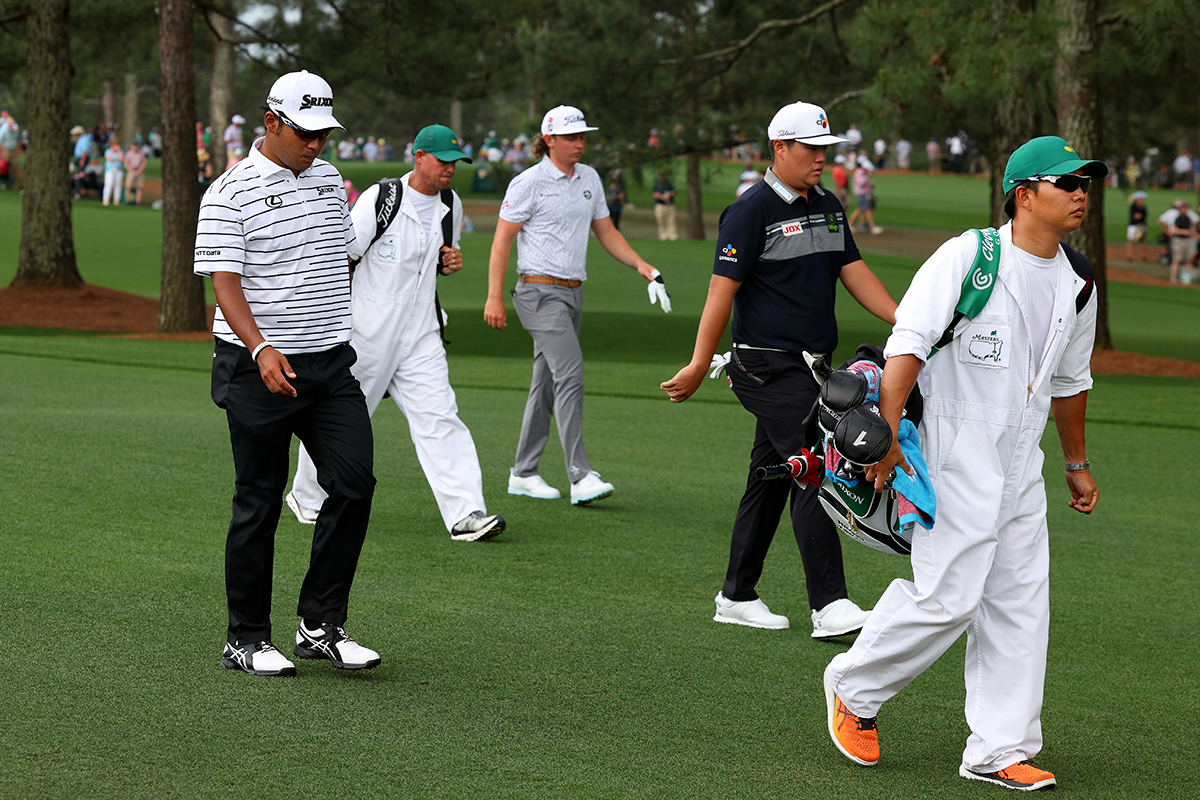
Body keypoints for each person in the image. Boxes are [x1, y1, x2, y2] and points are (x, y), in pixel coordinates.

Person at [822, 136, 1105, 792]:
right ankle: (854, 689)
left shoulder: (1080, 282)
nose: (1081, 193)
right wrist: (887, 438)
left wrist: (1075, 462)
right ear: (1023, 194)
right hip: (952, 450)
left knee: (1020, 604)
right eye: (1067, 183)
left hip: (1022, 462)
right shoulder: (969, 257)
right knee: (948, 597)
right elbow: (907, 346)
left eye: (1086, 182)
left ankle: (997, 748)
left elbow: (1071, 380)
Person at [661, 101, 896, 635]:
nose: (820, 158)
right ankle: (829, 604)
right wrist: (701, 362)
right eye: (810, 149)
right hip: (763, 368)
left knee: (771, 476)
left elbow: (853, 272)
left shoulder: (830, 204)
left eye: (824, 150)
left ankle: (736, 595)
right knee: (817, 460)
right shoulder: (749, 212)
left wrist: (905, 321)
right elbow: (721, 293)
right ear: (780, 149)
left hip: (814, 368)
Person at [193, 69, 380, 678]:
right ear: (271, 122)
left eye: (325, 133)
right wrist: (259, 348)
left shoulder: (328, 180)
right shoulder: (229, 192)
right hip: (258, 368)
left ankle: (320, 626)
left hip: (329, 365)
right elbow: (225, 283)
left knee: (354, 484)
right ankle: (245, 638)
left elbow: (341, 253)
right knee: (259, 500)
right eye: (306, 132)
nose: (317, 144)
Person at [285, 125, 506, 542]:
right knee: (342, 418)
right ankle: (307, 496)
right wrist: (335, 322)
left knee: (440, 415)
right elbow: (343, 257)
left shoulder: (451, 204)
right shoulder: (382, 198)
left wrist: (448, 263)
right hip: (367, 329)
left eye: (455, 164)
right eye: (442, 161)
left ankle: (466, 513)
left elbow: (435, 258)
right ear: (419, 156)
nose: (449, 171)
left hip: (422, 330)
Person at [485, 104, 672, 505]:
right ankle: (579, 474)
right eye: (571, 137)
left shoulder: (589, 178)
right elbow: (501, 242)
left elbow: (606, 231)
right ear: (549, 140)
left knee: (547, 382)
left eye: (582, 136)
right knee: (570, 372)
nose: (579, 144)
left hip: (573, 293)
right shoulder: (528, 182)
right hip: (536, 292)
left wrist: (642, 265)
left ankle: (523, 472)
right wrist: (494, 297)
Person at [1161, 199, 1200, 283]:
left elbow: (1195, 224)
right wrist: (1184, 232)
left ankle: (1188, 278)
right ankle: (1173, 278)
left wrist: (1195, 234)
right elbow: (1173, 230)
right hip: (1178, 240)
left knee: (1189, 260)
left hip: (1188, 241)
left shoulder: (1189, 217)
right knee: (1177, 260)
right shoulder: (1176, 218)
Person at [847, 156, 883, 235]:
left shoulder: (862, 172)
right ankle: (871, 226)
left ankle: (860, 225)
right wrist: (869, 177)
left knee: (863, 209)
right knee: (864, 210)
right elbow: (862, 182)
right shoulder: (859, 172)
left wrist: (870, 184)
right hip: (862, 193)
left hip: (865, 193)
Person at [651, 169, 678, 241]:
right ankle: (663, 235)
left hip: (669, 205)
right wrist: (662, 197)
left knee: (671, 220)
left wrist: (668, 196)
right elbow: (654, 194)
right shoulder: (657, 184)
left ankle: (672, 235)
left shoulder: (669, 183)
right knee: (661, 220)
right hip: (660, 204)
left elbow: (673, 191)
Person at [122, 141, 147, 205]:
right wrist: (132, 170)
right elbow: (126, 163)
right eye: (134, 145)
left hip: (139, 171)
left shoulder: (141, 153)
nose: (135, 147)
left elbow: (144, 163)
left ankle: (138, 201)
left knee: (139, 187)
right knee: (128, 186)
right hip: (131, 170)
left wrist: (139, 170)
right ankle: (127, 200)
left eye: (136, 145)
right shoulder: (128, 153)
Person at [1125, 191, 1148, 261]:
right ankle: (1130, 256)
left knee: (1142, 241)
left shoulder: (1143, 207)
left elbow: (1142, 216)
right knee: (1131, 241)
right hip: (1133, 226)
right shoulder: (1133, 206)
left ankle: (1144, 256)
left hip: (1141, 226)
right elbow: (1136, 216)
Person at [101, 137, 124, 206]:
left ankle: (116, 199)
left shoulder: (121, 151)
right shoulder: (108, 151)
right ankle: (106, 199)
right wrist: (116, 159)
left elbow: (122, 159)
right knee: (109, 184)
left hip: (118, 170)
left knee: (118, 184)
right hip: (110, 170)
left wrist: (119, 152)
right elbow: (109, 159)